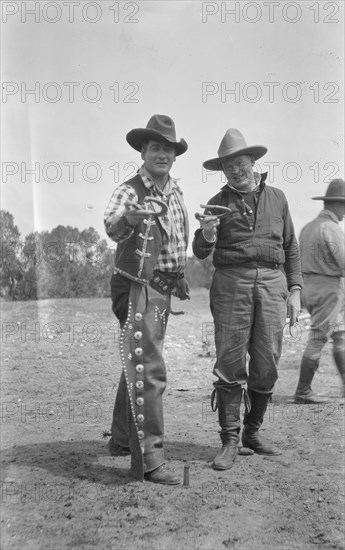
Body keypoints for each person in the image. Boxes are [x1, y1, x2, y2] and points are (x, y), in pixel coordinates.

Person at [192, 128, 302, 470]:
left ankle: (252, 432)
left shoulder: (279, 198)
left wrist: (295, 291)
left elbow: (291, 247)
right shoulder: (217, 203)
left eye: (239, 163)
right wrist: (208, 232)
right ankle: (229, 440)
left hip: (273, 283)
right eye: (227, 166)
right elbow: (199, 251)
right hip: (231, 285)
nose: (235, 170)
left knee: (267, 362)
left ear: (253, 162)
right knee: (229, 362)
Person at [104, 114, 190, 485]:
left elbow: (176, 239)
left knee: (139, 356)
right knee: (149, 368)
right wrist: (129, 218)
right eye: (156, 148)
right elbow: (110, 225)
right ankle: (150, 461)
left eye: (168, 149)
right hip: (135, 284)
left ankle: (122, 437)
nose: (162, 155)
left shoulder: (174, 190)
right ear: (143, 151)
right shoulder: (130, 189)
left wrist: (180, 275)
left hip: (163, 286)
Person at [294, 179, 345, 403]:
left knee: (340, 334)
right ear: (337, 204)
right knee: (317, 338)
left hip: (308, 286)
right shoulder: (332, 228)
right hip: (327, 289)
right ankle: (303, 391)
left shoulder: (308, 227)